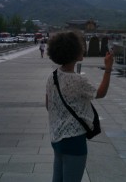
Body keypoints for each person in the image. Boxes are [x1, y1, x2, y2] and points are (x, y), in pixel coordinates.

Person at [45, 31, 114, 182]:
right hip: (74, 140)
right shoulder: (78, 80)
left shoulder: (53, 76)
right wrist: (108, 69)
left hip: (56, 138)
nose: (83, 48)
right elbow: (100, 93)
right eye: (81, 46)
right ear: (73, 52)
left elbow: (48, 105)